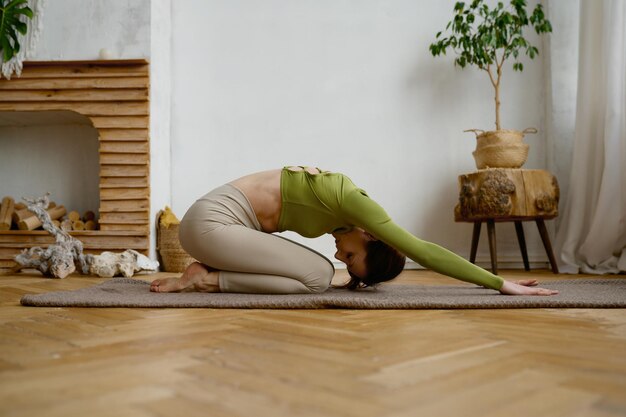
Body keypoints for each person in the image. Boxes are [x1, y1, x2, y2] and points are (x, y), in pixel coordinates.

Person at [150, 166, 559, 296]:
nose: (338, 254)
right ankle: (206, 279)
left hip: (215, 230)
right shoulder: (359, 207)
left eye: (345, 260)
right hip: (209, 222)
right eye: (350, 256)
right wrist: (500, 283)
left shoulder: (350, 221)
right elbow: (426, 251)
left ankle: (208, 271)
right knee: (317, 278)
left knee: (316, 276)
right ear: (371, 238)